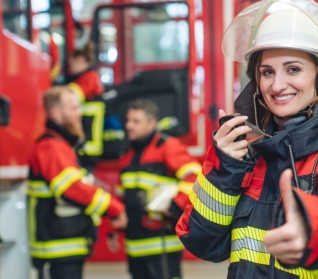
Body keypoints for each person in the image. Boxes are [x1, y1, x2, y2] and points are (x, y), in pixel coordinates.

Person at [176, 1, 318, 278]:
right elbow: (204, 244)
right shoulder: (247, 158)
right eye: (267, 72)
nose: (277, 85)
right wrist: (225, 171)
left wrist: (316, 233)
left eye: (293, 69)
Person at [27, 86, 127, 279]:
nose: (79, 114)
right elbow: (72, 188)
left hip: (63, 241)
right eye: (73, 108)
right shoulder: (52, 147)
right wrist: (114, 208)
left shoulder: (61, 145)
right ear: (56, 113)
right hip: (58, 246)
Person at [117, 99, 201, 279]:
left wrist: (174, 206)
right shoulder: (127, 154)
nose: (128, 126)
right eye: (128, 120)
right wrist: (114, 228)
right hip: (134, 246)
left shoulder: (167, 146)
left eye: (136, 121)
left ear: (151, 124)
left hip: (162, 244)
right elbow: (122, 194)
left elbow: (196, 178)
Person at [66, 42, 106, 169]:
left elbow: (71, 97)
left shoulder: (90, 77)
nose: (70, 68)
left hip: (89, 141)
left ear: (80, 60)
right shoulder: (88, 77)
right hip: (86, 137)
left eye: (71, 64)